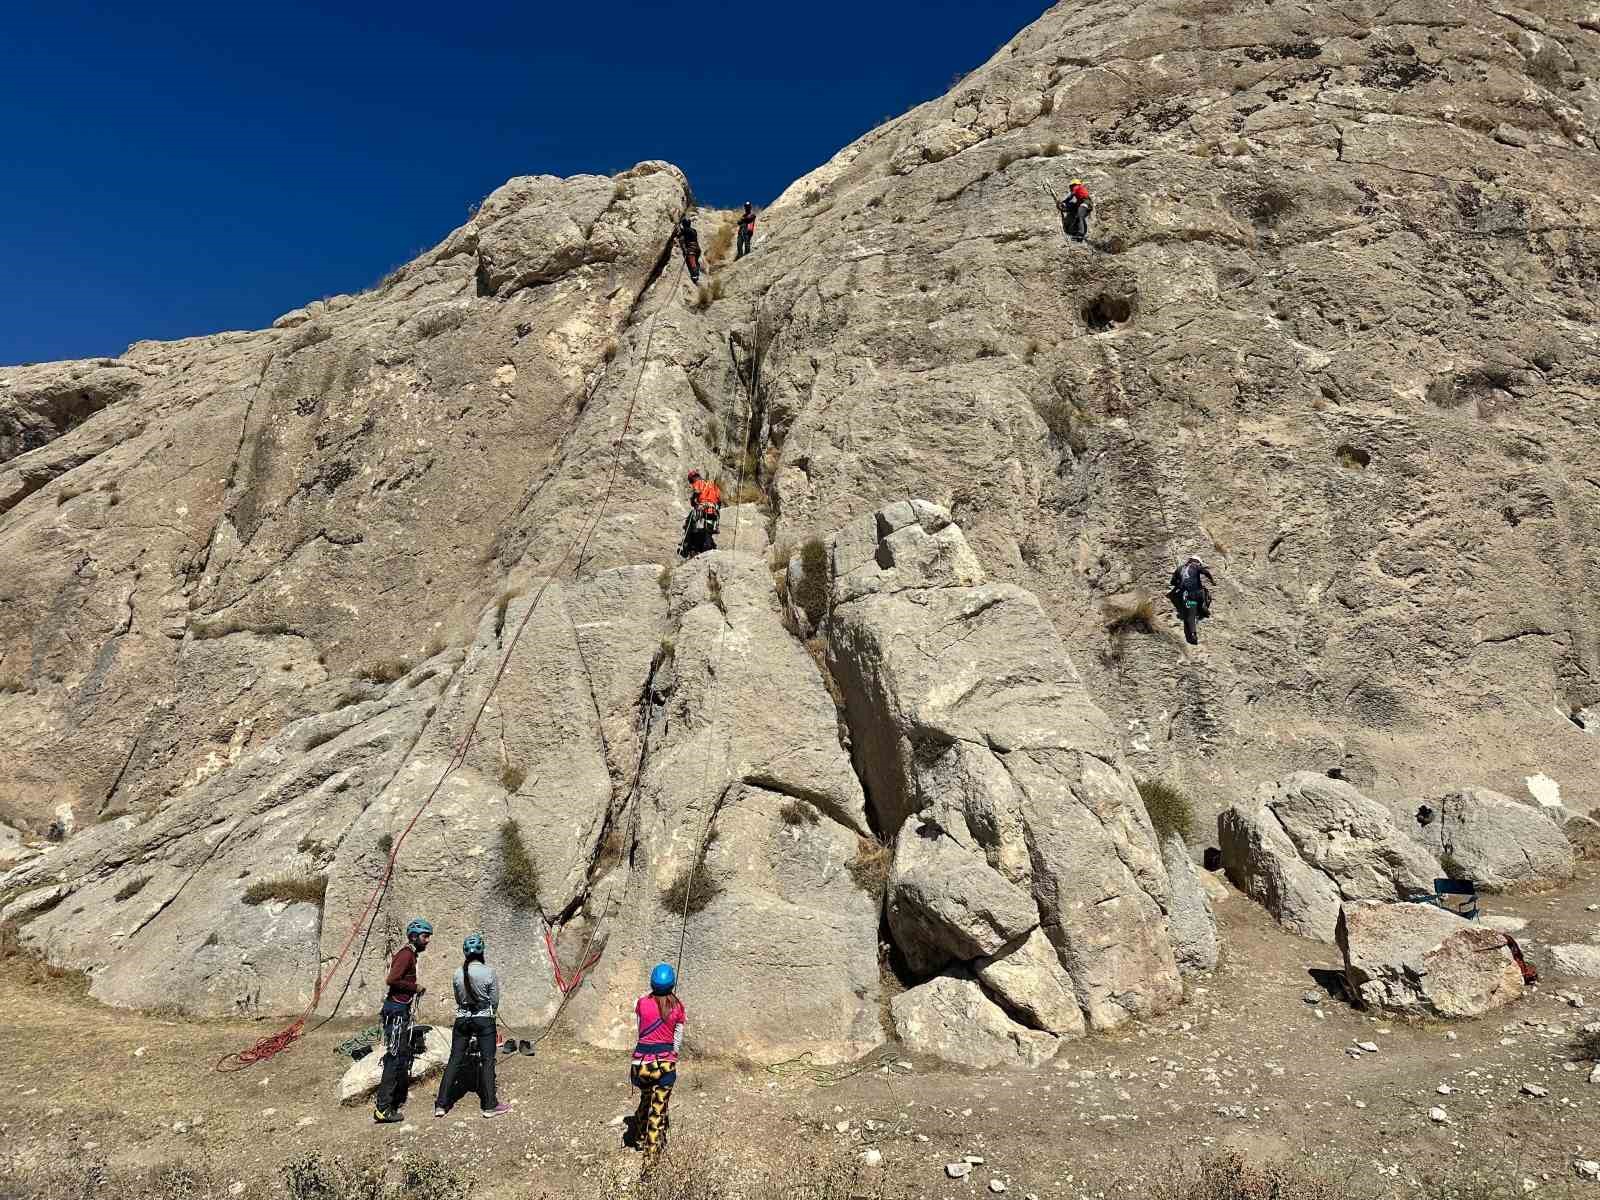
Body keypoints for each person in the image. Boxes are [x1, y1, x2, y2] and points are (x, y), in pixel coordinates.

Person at [434, 934, 510, 1120]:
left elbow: (459, 999)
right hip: (484, 1018)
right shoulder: (489, 972)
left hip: (462, 1019)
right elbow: (494, 1000)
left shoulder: (457, 973)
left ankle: (441, 1104)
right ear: (482, 951)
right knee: (488, 1060)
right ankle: (490, 1105)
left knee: (454, 1059)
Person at [374, 918, 432, 1124]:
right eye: (425, 937)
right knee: (395, 1055)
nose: (427, 941)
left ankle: (394, 1098)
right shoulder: (406, 954)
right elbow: (392, 980)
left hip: (400, 1008)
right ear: (414, 937)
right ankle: (383, 1108)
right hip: (396, 1010)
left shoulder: (410, 954)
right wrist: (414, 988)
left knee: (399, 1054)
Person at [629, 962, 686, 1169]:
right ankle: (650, 1158)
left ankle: (638, 1136)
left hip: (641, 1064)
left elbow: (640, 1030)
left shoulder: (641, 1003)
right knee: (658, 1110)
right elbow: (677, 1039)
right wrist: (672, 1056)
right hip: (664, 1065)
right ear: (672, 984)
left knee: (646, 1097)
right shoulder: (678, 1007)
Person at [1168, 554, 1215, 619]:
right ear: (1197, 561)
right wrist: (1212, 581)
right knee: (1206, 592)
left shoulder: (1179, 568)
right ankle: (1202, 606)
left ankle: (1187, 607)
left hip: (1184, 595)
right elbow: (1207, 573)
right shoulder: (1196, 566)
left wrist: (1181, 583)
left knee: (1179, 596)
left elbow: (1172, 582)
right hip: (1197, 594)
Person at [677, 216, 702, 281]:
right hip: (697, 248)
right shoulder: (694, 230)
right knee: (695, 262)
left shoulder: (685, 230)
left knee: (692, 262)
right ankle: (696, 273)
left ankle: (695, 276)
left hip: (691, 249)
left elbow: (679, 234)